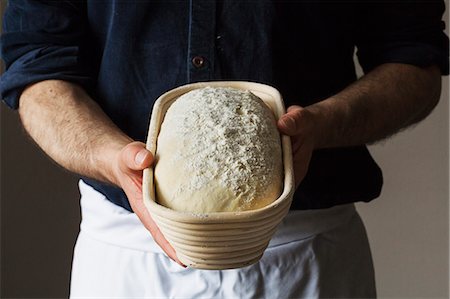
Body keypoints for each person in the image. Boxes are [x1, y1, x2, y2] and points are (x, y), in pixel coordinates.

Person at [1, 0, 448, 298]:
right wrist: (111, 158)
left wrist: (323, 123)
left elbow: (413, 60)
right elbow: (38, 61)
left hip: (306, 260)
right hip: (128, 258)